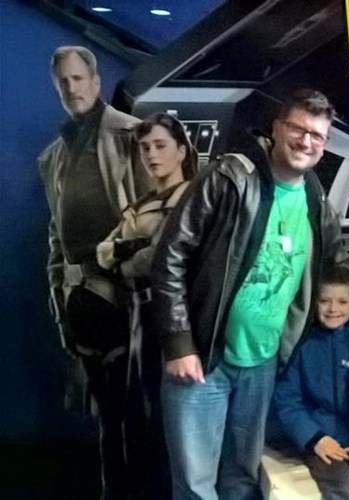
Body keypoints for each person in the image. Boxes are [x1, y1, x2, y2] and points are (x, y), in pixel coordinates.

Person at [151, 89, 349, 500]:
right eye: (298, 129)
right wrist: (179, 343)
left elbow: (339, 266)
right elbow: (169, 257)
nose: (305, 141)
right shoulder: (230, 177)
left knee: (242, 480)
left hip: (263, 364)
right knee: (195, 487)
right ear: (277, 128)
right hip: (204, 358)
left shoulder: (315, 197)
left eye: (317, 135)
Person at [38, 45, 152, 499]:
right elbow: (56, 237)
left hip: (129, 300)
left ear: (96, 81)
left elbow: (153, 221)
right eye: (63, 81)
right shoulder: (54, 156)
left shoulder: (132, 136)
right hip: (80, 304)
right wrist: (59, 299)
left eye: (78, 78)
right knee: (107, 420)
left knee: (137, 421)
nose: (71, 88)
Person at [96, 112, 196, 500]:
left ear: (181, 151)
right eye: (145, 148)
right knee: (138, 417)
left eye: (160, 146)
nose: (152, 155)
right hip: (137, 317)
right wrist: (129, 249)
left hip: (169, 318)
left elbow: (158, 260)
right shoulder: (142, 203)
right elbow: (103, 252)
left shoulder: (188, 199)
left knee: (166, 420)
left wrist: (126, 253)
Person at [274, 266, 349, 500]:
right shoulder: (300, 345)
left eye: (342, 302)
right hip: (320, 439)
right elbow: (287, 401)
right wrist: (315, 438)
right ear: (313, 302)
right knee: (343, 490)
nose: (333, 309)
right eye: (324, 301)